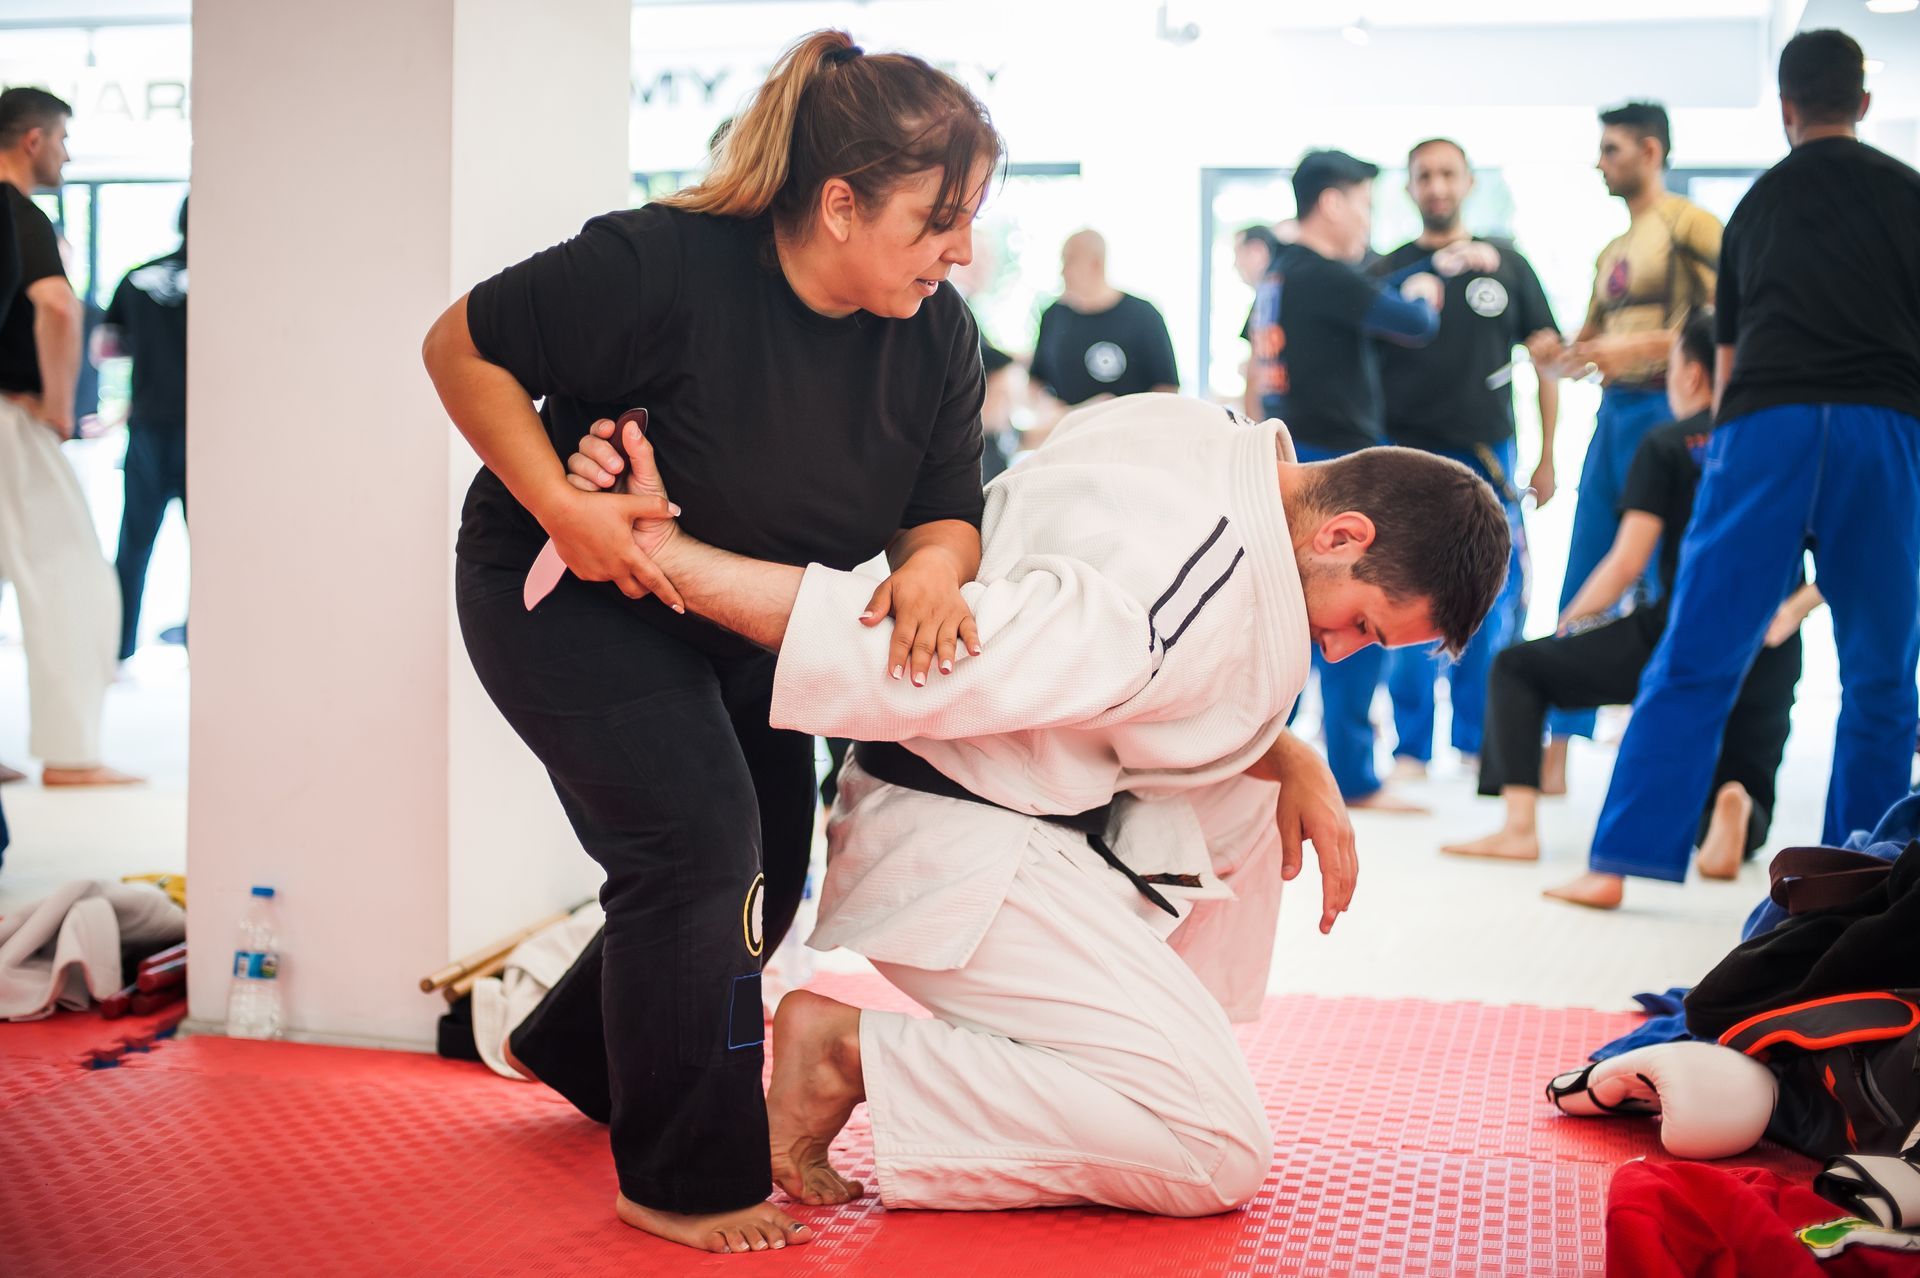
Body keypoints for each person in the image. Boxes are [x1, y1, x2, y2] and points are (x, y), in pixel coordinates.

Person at [529, 390, 1510, 1219]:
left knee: (1257, 785)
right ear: (1344, 534)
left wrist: (1288, 754)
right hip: (958, 851)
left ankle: (1125, 1052)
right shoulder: (1179, 609)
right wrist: (669, 557)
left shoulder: (1188, 429)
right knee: (1216, 1151)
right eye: (1362, 626)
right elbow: (907, 654)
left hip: (988, 805)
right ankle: (850, 1055)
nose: (1338, 651)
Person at [420, 31, 1000, 1254]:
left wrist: (940, 569)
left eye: (972, 220)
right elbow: (459, 347)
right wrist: (564, 506)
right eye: (938, 220)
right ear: (839, 204)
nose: (963, 250)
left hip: (740, 619)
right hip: (569, 590)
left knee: (766, 874)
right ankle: (682, 1179)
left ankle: (577, 1049)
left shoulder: (936, 331)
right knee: (698, 853)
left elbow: (942, 503)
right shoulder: (659, 264)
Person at [1548, 30, 1920, 910]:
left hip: (1766, 424)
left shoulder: (1758, 206)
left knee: (1698, 646)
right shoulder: (1909, 196)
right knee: (1880, 671)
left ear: (1787, 109)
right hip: (1886, 423)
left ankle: (1616, 865)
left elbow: (1724, 351)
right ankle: (1859, 885)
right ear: (1864, 104)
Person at [1440, 312, 1813, 880]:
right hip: (1771, 641)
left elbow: (1626, 561)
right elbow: (1841, 550)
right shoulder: (1789, 443)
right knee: (1742, 771)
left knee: (1518, 667)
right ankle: (1736, 809)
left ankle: (1518, 828)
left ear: (1689, 375)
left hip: (1677, 632)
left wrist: (1571, 621)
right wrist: (1792, 610)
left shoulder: (1667, 443)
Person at [1247, 148, 1497, 811]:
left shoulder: (1280, 272)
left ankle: (1259, 754)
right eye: (1363, 203)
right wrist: (1425, 285)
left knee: (1292, 613)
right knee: (1356, 606)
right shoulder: (1322, 274)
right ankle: (1354, 775)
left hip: (1288, 454)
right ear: (1331, 202)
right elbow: (1413, 323)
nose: (1367, 220)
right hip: (1334, 461)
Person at [1533, 102, 1722, 787]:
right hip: (1613, 416)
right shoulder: (1611, 250)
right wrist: (1565, 351)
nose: (1600, 163)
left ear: (1649, 150)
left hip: (1672, 414)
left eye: (1611, 149)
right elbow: (1588, 341)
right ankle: (1556, 746)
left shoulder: (1691, 226)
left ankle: (1673, 745)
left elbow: (1728, 323)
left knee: (1666, 576)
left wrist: (1632, 346)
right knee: (1586, 564)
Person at [1371, 138, 1561, 777]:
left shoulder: (1507, 264)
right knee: (1402, 594)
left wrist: (1548, 456)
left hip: (1489, 457)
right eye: (1423, 174)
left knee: (1491, 600)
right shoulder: (1386, 272)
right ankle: (1410, 748)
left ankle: (1479, 742)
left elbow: (1545, 360)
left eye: (1447, 173)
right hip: (1405, 458)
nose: (1436, 185)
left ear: (1469, 181)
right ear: (1409, 187)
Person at [0, 87, 138, 789]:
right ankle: (71, 754)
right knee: (74, 580)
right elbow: (56, 306)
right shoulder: (15, 211)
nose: (67, 154)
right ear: (32, 141)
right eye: (61, 139)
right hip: (13, 420)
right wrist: (59, 408)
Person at [95, 196, 189, 661]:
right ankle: (204, 642)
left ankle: (119, 646)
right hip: (206, 433)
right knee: (216, 544)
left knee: (132, 543)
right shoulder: (231, 279)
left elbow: (108, 349)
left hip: (149, 426)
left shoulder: (136, 278)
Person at [1025, 229, 1178, 440]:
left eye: (1069, 261)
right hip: (1068, 439)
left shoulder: (1143, 316)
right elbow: (1036, 381)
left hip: (1129, 441)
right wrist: (1052, 409)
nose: (1062, 272)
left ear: (1095, 264)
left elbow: (1167, 388)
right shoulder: (1054, 316)